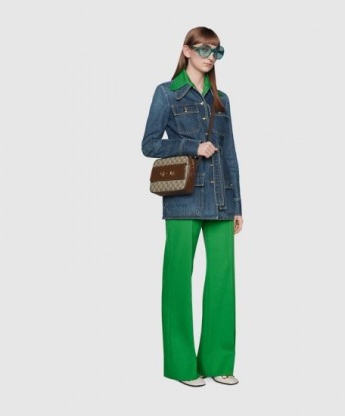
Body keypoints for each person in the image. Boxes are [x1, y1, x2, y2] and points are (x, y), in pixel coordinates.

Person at [141, 26, 243, 387]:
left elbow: (230, 154)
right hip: (183, 199)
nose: (210, 57)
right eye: (203, 49)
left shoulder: (221, 99)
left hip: (221, 199)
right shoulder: (166, 93)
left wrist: (238, 205)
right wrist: (191, 146)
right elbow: (149, 144)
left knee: (222, 281)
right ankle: (182, 366)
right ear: (186, 50)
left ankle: (218, 361)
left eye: (217, 51)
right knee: (177, 280)